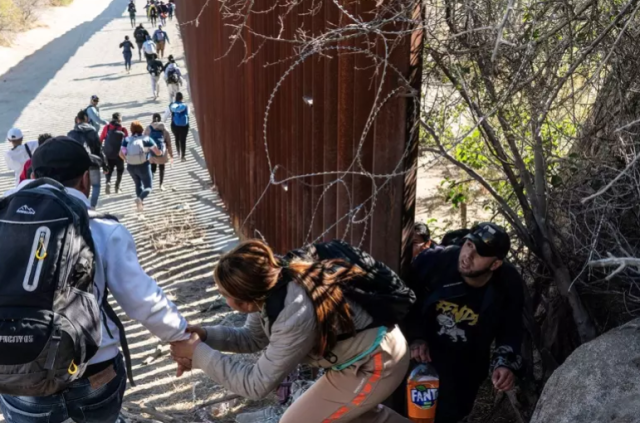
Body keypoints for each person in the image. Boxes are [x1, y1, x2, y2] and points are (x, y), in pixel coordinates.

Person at [0, 137, 189, 423]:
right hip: (92, 372)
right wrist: (181, 336)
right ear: (86, 179)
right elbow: (142, 301)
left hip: (14, 371)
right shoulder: (102, 227)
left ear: (31, 173)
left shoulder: (4, 218)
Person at [170, 240, 413, 423]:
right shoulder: (270, 285)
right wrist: (205, 336)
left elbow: (255, 385)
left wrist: (199, 354)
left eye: (224, 295)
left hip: (375, 363)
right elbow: (253, 338)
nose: (222, 298)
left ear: (244, 301)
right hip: (357, 361)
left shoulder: (293, 313)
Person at [406, 222, 524, 423]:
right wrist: (415, 337)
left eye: (479, 253)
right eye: (468, 245)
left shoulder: (508, 282)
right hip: (420, 358)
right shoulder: (435, 261)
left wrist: (505, 363)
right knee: (409, 415)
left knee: (450, 416)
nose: (468, 255)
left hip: (466, 364)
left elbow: (511, 327)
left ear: (495, 264)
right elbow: (404, 300)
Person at [68, 109, 107, 209]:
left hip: (78, 165)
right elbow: (99, 149)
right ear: (87, 119)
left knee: (79, 187)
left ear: (77, 119)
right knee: (96, 186)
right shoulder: (92, 131)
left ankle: (82, 206)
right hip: (93, 162)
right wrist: (105, 165)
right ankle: (92, 206)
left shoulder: (71, 134)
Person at [121, 121, 162, 212]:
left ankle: (140, 206)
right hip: (143, 165)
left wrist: (127, 159)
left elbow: (121, 153)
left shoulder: (127, 140)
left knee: (138, 184)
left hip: (131, 166)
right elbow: (157, 152)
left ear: (131, 130)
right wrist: (161, 152)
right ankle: (140, 198)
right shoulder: (147, 139)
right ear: (141, 129)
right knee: (148, 187)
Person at [101, 113, 129, 195]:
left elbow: (101, 139)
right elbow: (127, 143)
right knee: (120, 170)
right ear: (120, 120)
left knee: (108, 170)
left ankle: (108, 182)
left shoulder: (107, 127)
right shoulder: (123, 130)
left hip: (108, 153)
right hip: (119, 154)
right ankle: (117, 187)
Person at [144, 113, 173, 191]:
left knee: (152, 168)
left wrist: (146, 153)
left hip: (152, 151)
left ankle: (150, 184)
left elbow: (145, 142)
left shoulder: (148, 128)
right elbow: (168, 142)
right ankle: (161, 185)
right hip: (161, 152)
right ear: (160, 119)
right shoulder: (164, 128)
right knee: (162, 168)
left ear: (152, 119)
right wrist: (171, 154)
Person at [163, 92, 189, 161]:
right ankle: (183, 156)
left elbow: (165, 116)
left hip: (175, 125)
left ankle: (178, 153)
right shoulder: (185, 105)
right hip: (184, 125)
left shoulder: (171, 106)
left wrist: (163, 122)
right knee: (183, 140)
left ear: (175, 98)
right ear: (182, 98)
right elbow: (188, 113)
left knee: (177, 138)